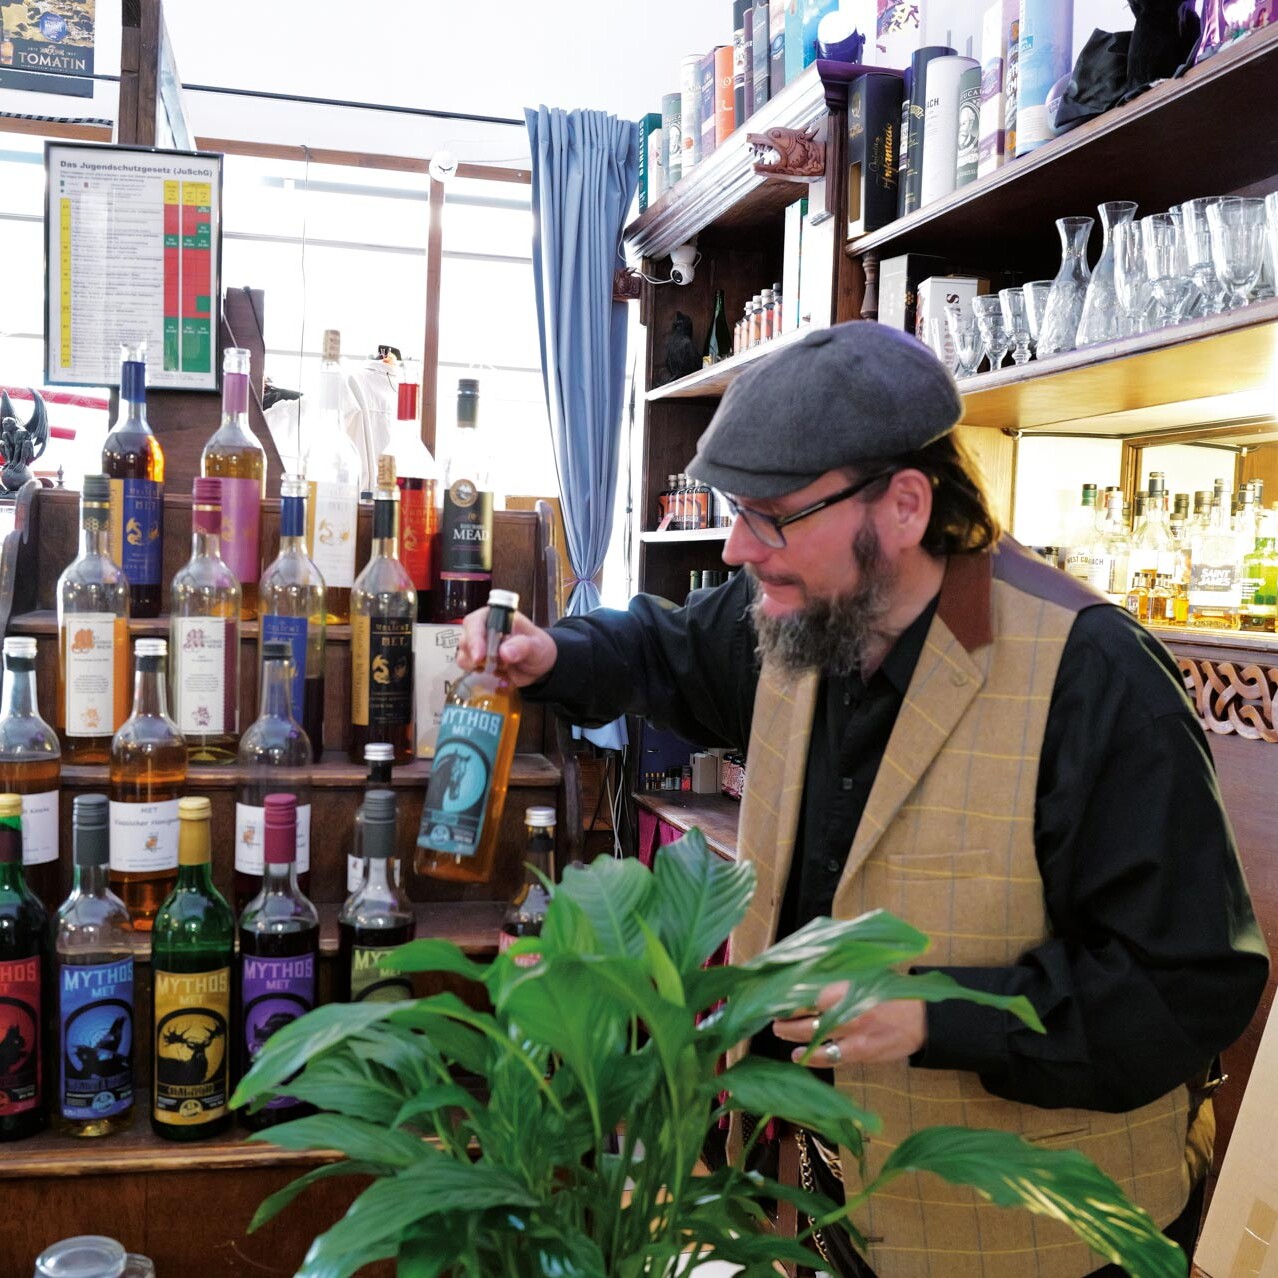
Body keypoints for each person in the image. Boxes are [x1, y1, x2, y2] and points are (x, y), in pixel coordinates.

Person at [457, 321, 1269, 1278]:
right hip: (820, 1212)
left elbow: (1185, 988)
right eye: (735, 511)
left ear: (905, 506)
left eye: (772, 516)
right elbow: (664, 647)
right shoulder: (800, 614)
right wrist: (553, 655)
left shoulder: (1092, 675)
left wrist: (931, 1015)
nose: (734, 547)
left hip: (1044, 1242)